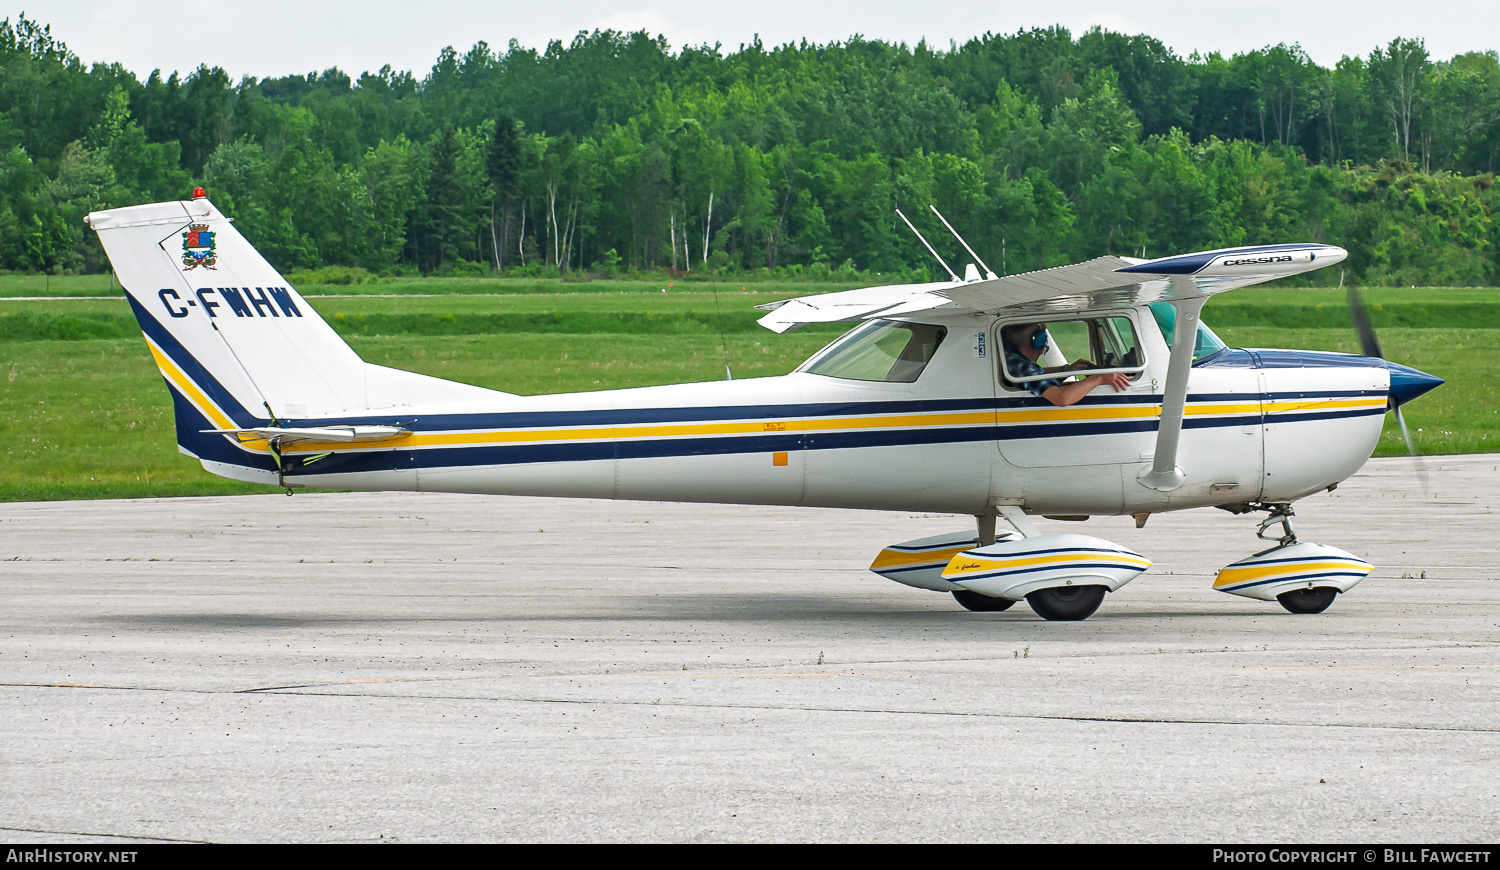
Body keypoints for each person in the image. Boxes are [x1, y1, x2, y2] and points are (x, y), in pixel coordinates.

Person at [1001, 322, 1131, 407]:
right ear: (1037, 342)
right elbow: (1061, 398)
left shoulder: (1011, 359)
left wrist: (1067, 369)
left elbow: (1037, 378)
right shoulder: (1023, 367)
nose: (1041, 351)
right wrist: (1100, 378)